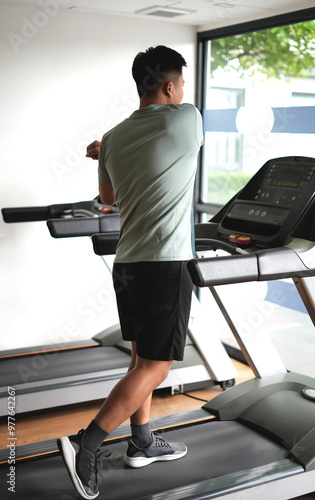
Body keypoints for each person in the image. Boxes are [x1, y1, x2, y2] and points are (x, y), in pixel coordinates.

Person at [57, 45, 203, 500]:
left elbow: (110, 198)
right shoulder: (188, 118)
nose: (183, 91)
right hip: (165, 263)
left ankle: (142, 443)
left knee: (140, 360)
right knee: (156, 367)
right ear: (169, 86)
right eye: (180, 83)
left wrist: (105, 153)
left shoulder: (114, 136)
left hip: (129, 263)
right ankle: (87, 443)